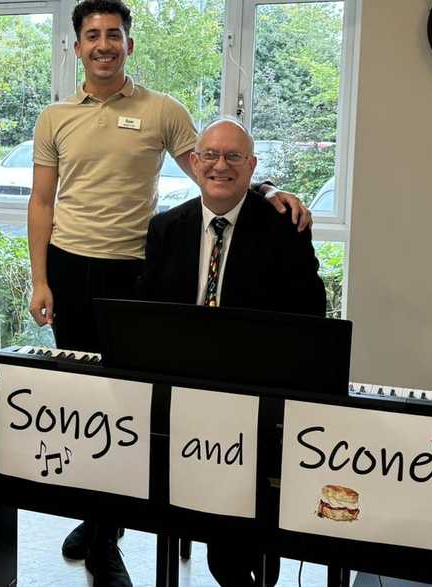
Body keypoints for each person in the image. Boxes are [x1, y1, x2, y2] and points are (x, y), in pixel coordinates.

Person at [25, 1, 312, 584]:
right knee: (89, 407)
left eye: (113, 35)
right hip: (71, 268)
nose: (103, 44)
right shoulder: (54, 117)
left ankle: (114, 525)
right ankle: (100, 520)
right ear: (76, 47)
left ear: (129, 45)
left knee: (131, 404)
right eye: (91, 36)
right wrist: (39, 277)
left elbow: (213, 170)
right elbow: (41, 202)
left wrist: (272, 194)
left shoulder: (162, 110)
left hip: (138, 271)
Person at [137, 119, 326, 586]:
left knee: (236, 488)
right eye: (211, 155)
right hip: (182, 384)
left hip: (254, 389)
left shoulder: (284, 226)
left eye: (234, 156)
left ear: (252, 166)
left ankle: (239, 563)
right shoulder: (166, 228)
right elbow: (146, 311)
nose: (221, 165)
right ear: (195, 162)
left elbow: (310, 314)